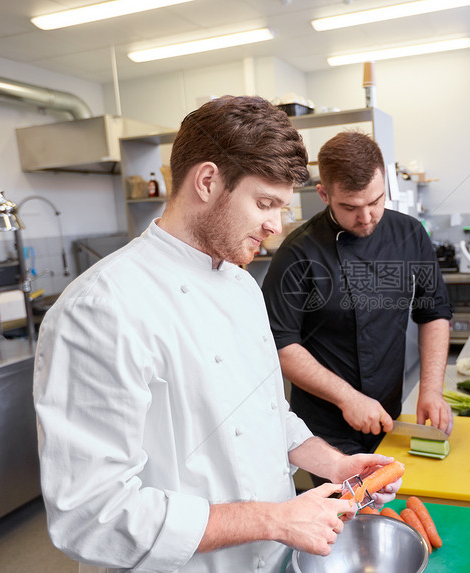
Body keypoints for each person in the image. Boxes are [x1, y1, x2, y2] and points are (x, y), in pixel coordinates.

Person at [33, 96, 401, 573]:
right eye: (265, 203)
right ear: (207, 181)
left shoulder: (241, 283)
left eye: (283, 207)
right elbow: (92, 516)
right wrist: (275, 520)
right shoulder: (101, 310)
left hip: (275, 558)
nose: (276, 225)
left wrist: (336, 465)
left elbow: (268, 415)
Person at [261, 131, 454, 475]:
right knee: (341, 522)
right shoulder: (297, 253)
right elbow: (280, 345)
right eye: (350, 207)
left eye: (376, 201)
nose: (366, 217)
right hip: (324, 431)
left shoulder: (410, 234)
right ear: (324, 194)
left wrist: (431, 391)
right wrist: (346, 397)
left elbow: (434, 312)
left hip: (389, 418)